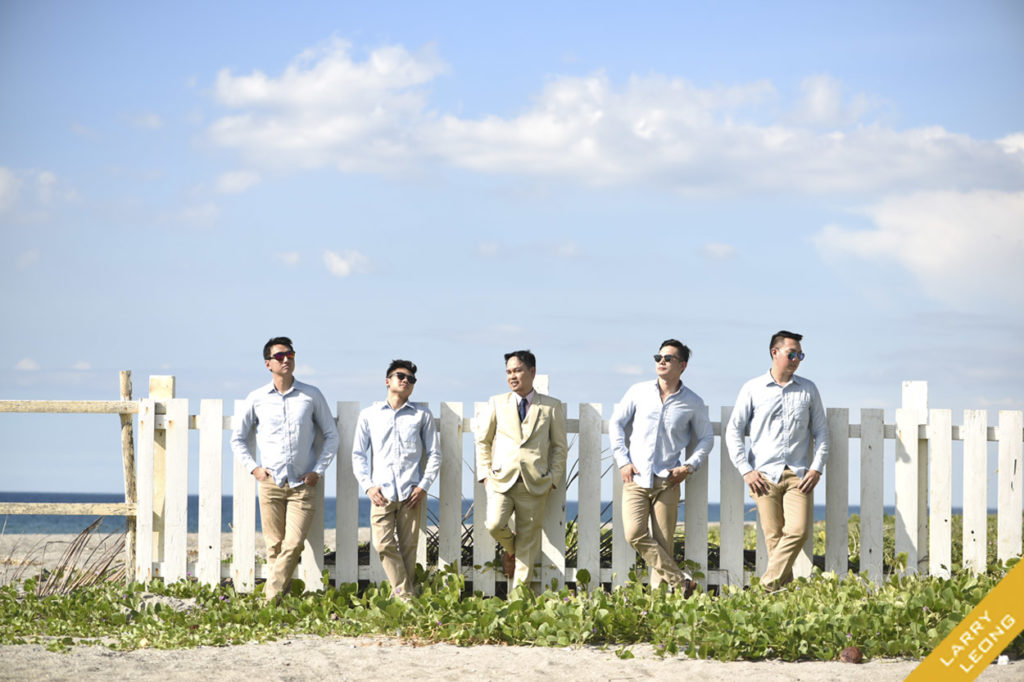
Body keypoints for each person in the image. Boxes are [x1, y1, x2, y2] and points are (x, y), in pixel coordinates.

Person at [230, 336, 340, 602]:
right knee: (274, 546)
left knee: (293, 544)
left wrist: (318, 470)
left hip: (303, 484)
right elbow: (238, 438)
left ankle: (269, 598)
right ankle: (280, 600)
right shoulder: (257, 398)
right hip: (271, 483)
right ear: (268, 364)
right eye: (279, 356)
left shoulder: (311, 394)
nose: (286, 359)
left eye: (289, 354)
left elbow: (331, 435)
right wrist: (255, 469)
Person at [725, 330, 829, 590]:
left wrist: (816, 469)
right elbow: (733, 431)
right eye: (791, 354)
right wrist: (746, 471)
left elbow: (822, 432)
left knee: (798, 531)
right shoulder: (752, 388)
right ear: (775, 352)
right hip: (763, 476)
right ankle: (779, 597)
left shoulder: (809, 389)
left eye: (800, 355)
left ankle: (765, 586)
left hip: (798, 475)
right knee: (773, 538)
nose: (796, 359)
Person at [609, 339, 714, 597]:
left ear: (683, 365)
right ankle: (681, 582)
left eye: (668, 358)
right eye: (658, 357)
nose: (662, 362)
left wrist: (688, 467)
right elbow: (616, 424)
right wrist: (623, 460)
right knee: (634, 533)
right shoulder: (638, 391)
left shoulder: (693, 402)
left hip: (668, 479)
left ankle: (659, 602)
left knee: (663, 544)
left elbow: (706, 438)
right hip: (636, 478)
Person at [474, 349, 568, 590]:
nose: (512, 376)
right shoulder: (497, 402)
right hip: (501, 480)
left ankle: (518, 599)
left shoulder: (551, 406)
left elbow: (559, 446)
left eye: (517, 370)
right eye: (508, 372)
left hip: (535, 483)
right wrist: (485, 474)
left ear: (532, 372)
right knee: (494, 524)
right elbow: (483, 441)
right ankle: (510, 548)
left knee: (529, 542)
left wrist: (553, 479)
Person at [351, 359, 441, 599]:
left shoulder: (422, 415)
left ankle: (402, 599)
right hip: (381, 492)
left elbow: (434, 454)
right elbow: (358, 454)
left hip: (412, 492)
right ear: (387, 381)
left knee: (410, 550)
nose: (405, 381)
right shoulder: (369, 415)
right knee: (382, 544)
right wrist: (368, 487)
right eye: (401, 376)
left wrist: (423, 487)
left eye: (411, 379)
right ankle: (406, 595)